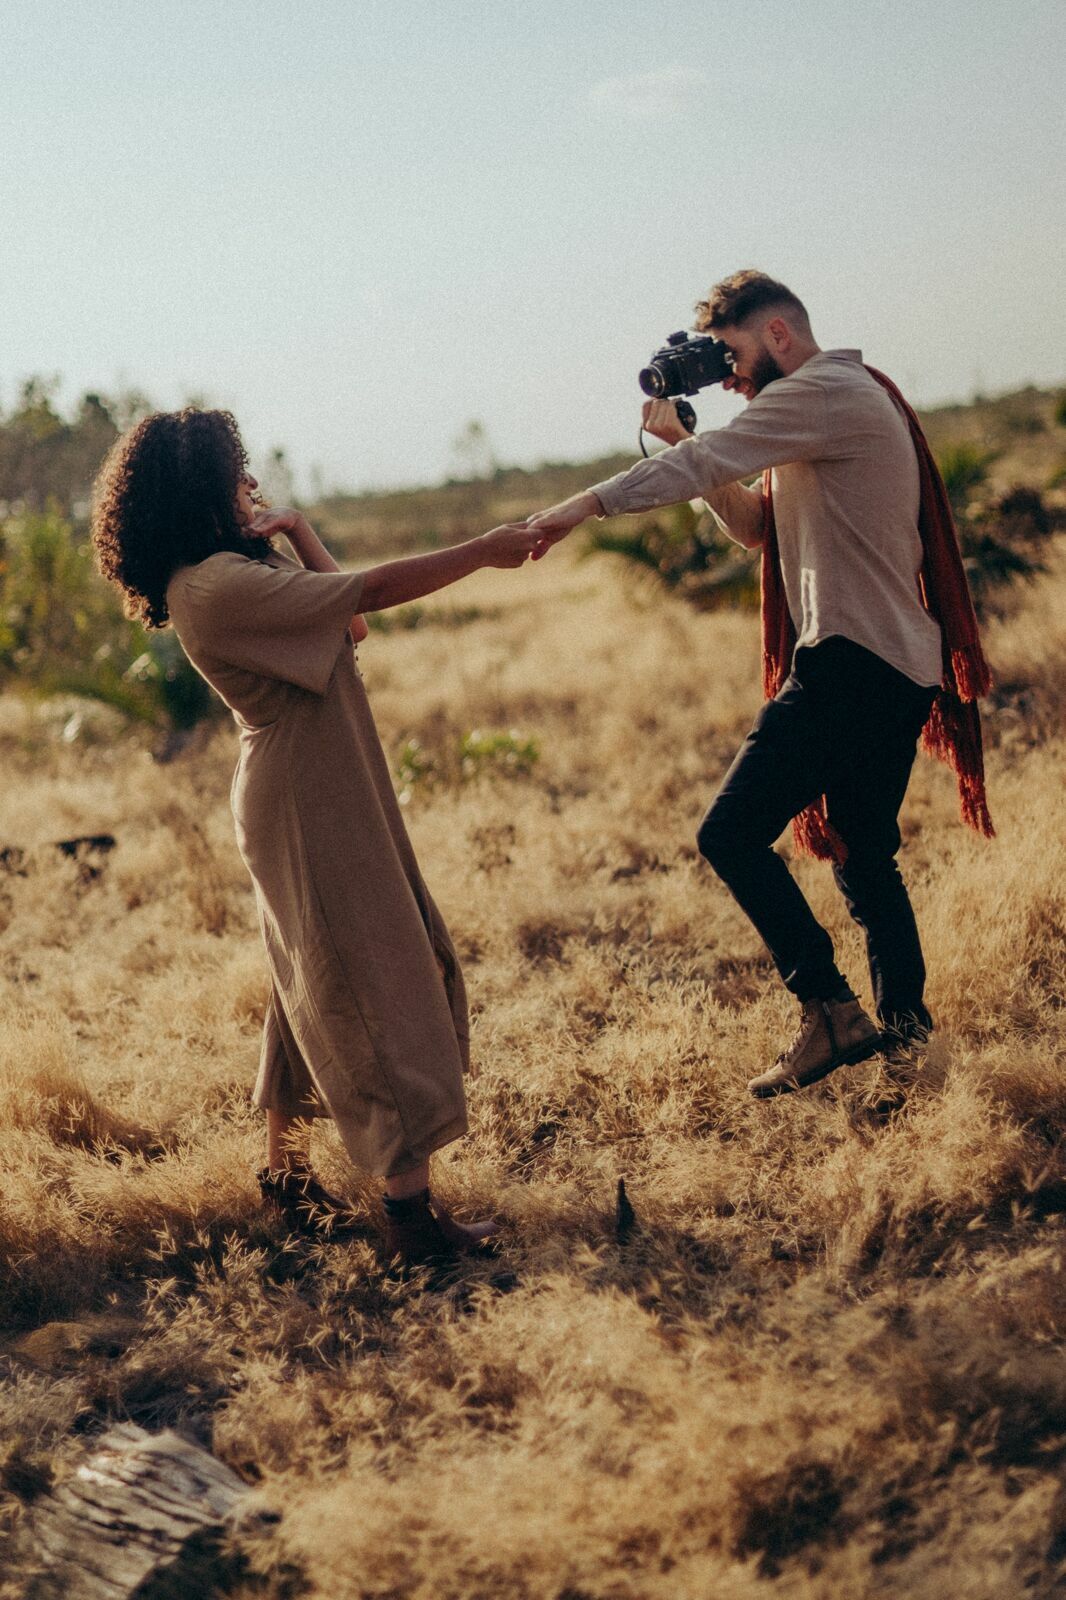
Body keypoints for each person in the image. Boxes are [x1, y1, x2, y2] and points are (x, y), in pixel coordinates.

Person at [527, 270, 992, 1099]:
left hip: (851, 660)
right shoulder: (821, 403)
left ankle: (829, 1010)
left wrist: (577, 509)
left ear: (779, 334)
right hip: (894, 663)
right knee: (863, 856)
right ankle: (909, 1052)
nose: (730, 377)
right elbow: (752, 530)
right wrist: (683, 449)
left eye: (732, 356)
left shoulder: (820, 391)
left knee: (730, 835)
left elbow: (712, 459)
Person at [92, 407, 540, 1262]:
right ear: (201, 488)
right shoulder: (215, 585)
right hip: (306, 793)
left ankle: (287, 1176)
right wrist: (482, 549)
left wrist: (298, 531)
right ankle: (411, 1220)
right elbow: (367, 596)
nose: (248, 484)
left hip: (320, 781)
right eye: (233, 473)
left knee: (309, 977)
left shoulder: (227, 572)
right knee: (366, 973)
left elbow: (350, 624)